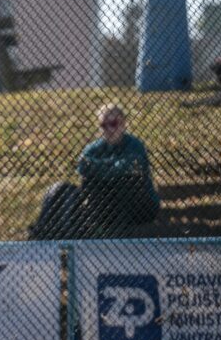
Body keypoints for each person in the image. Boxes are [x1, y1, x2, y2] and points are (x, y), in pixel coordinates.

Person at [28, 103, 159, 240]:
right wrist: (111, 166)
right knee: (60, 189)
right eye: (103, 125)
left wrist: (98, 167)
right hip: (103, 206)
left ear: (123, 124)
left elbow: (124, 169)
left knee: (124, 181)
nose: (108, 129)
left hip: (138, 206)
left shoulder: (134, 145)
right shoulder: (94, 148)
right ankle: (44, 232)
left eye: (113, 124)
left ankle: (117, 234)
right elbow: (83, 166)